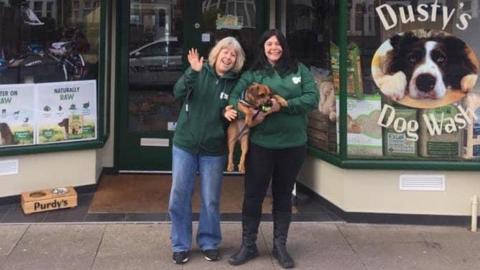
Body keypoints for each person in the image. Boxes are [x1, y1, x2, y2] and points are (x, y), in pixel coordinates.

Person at [226, 29, 319, 269]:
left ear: (284, 47)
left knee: (283, 195)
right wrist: (248, 111)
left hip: (293, 145)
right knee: (253, 196)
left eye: (277, 44)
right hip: (261, 145)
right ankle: (248, 245)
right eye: (269, 44)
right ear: (263, 47)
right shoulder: (254, 73)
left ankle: (280, 246)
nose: (273, 48)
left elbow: (312, 99)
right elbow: (235, 97)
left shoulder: (300, 70)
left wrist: (283, 106)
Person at [169, 37, 245, 264]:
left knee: (211, 199)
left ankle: (209, 242)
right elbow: (178, 92)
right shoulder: (200, 71)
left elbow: (237, 108)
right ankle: (180, 245)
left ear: (237, 60)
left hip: (214, 149)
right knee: (179, 196)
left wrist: (229, 113)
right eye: (225, 52)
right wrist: (192, 71)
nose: (228, 57)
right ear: (216, 53)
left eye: (233, 54)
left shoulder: (235, 83)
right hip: (185, 145)